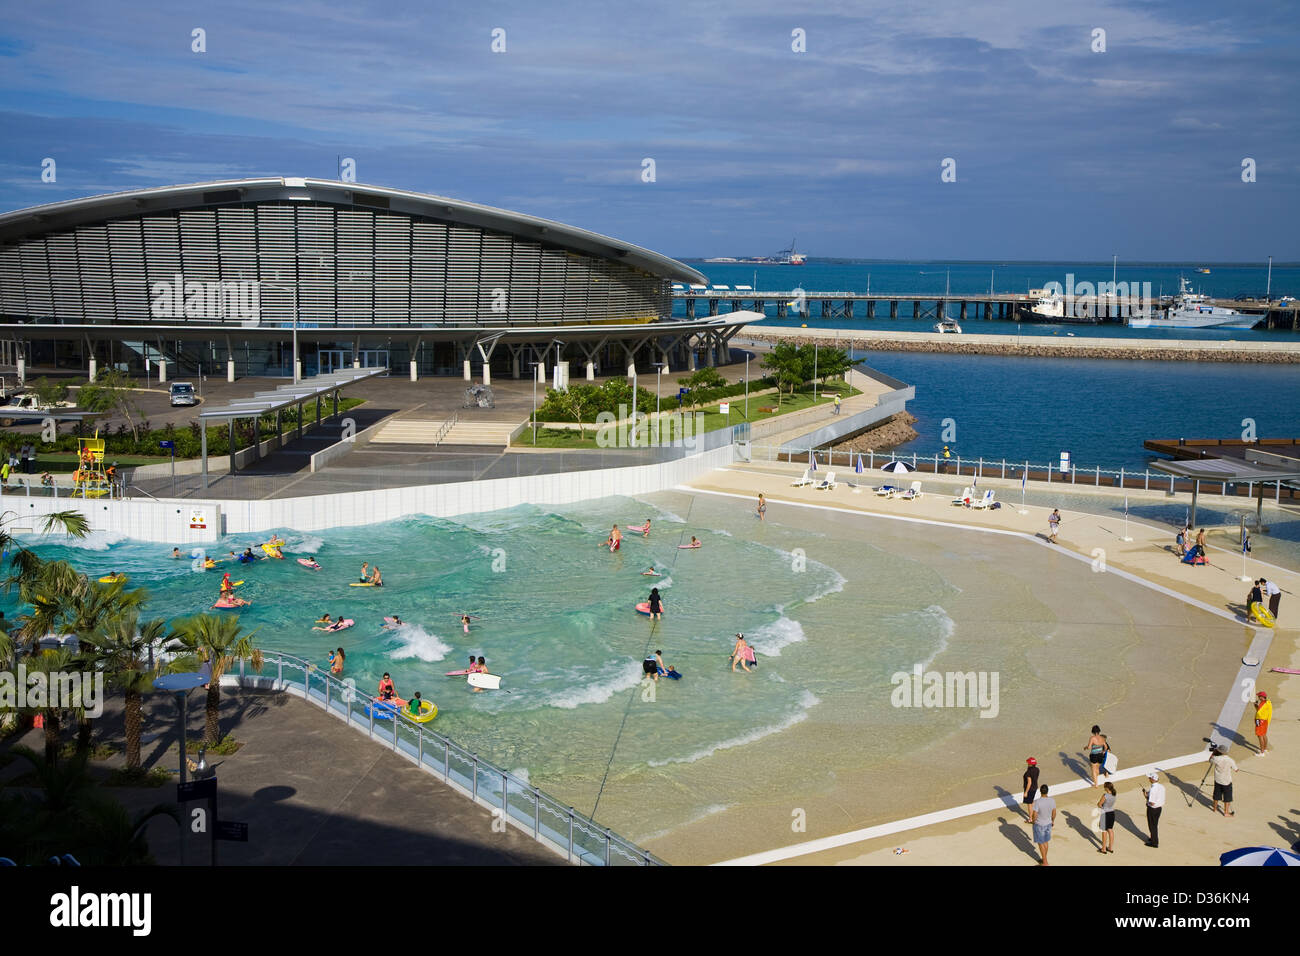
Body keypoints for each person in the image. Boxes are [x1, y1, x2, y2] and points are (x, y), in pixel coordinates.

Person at [1030, 783, 1057, 865]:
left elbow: (1034, 814)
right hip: (1048, 823)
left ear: (1040, 792)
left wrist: (1033, 821)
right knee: (1045, 841)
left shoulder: (1037, 802)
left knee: (1040, 842)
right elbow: (1054, 812)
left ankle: (1045, 862)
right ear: (1047, 791)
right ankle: (1044, 858)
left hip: (1039, 824)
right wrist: (1052, 820)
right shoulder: (1052, 800)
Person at [1209, 746, 1238, 817]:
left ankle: (1215, 809)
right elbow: (1236, 770)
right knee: (1227, 797)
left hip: (1218, 780)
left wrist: (1213, 753)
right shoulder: (1230, 760)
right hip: (1227, 781)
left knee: (1216, 795)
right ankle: (1226, 812)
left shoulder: (1216, 758)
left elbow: (1210, 760)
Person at [1142, 771, 1165, 847]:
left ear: (1152, 779)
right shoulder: (1161, 786)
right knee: (1154, 825)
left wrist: (1146, 798)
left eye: (1149, 778)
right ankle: (1153, 838)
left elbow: (1152, 802)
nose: (1148, 779)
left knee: (1152, 825)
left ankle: (1154, 842)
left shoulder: (1153, 790)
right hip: (1159, 808)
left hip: (1152, 809)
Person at [1097, 782, 1117, 854]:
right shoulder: (1114, 794)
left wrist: (1101, 807)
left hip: (1105, 813)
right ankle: (1110, 847)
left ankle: (1103, 848)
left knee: (1104, 831)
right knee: (1110, 830)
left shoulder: (1105, 795)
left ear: (1106, 788)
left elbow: (1099, 804)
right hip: (1112, 813)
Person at [1254, 691, 1271, 755]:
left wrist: (1256, 706)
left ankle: (1262, 752)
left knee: (1260, 735)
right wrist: (1257, 706)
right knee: (1264, 734)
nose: (1258, 697)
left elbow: (1258, 713)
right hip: (1265, 721)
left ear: (1262, 697)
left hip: (1260, 721)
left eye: (1259, 696)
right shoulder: (1268, 702)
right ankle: (1265, 749)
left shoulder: (1262, 704)